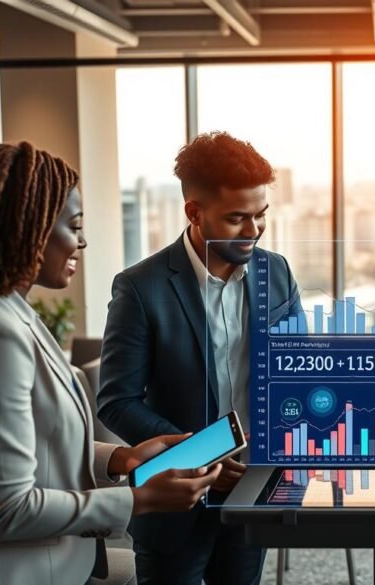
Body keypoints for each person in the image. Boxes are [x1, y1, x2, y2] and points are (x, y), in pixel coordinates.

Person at [0, 142, 221, 585]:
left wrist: (121, 458)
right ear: (24, 228)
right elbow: (4, 510)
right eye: (74, 225)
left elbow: (25, 443)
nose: (82, 241)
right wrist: (138, 499)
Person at [97, 131, 303, 585]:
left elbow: (297, 373)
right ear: (194, 212)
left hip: (252, 487)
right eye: (236, 218)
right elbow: (116, 400)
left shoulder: (277, 271)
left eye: (261, 215)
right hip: (174, 500)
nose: (253, 230)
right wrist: (204, 453)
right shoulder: (140, 287)